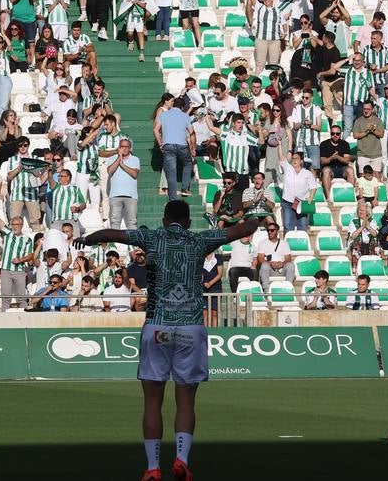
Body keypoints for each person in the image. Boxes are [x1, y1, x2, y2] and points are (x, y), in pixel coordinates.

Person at [82, 200, 264, 481]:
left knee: (152, 403)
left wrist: (86, 238)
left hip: (157, 326)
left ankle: (153, 467)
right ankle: (181, 459)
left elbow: (110, 234)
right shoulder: (200, 239)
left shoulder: (151, 236)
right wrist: (256, 218)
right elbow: (242, 229)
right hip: (190, 327)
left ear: (165, 220)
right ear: (188, 222)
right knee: (186, 402)